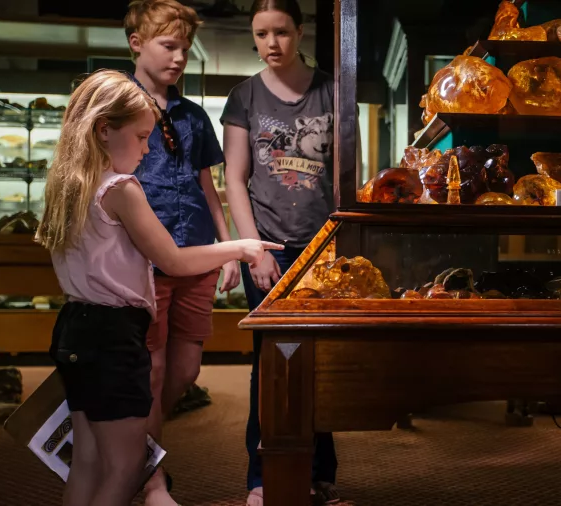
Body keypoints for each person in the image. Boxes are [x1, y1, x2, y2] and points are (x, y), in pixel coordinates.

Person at [35, 69, 282, 506]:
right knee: (128, 464)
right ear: (104, 130)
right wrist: (239, 247)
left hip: (75, 325)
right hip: (114, 334)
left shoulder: (69, 183)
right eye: (141, 137)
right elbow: (173, 261)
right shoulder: (121, 189)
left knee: (88, 459)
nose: (148, 149)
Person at [220, 1, 341, 504]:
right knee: (271, 361)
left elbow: (347, 174)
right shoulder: (244, 96)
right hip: (267, 246)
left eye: (282, 32)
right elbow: (234, 179)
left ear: (300, 32)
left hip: (323, 248)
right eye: (261, 34)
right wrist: (253, 251)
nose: (271, 43)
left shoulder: (333, 90)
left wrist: (339, 245)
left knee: (320, 361)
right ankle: (262, 476)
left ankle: (319, 470)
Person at [123, 2, 238, 503]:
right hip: (142, 256)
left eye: (185, 49)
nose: (178, 58)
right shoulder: (118, 104)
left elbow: (207, 185)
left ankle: (133, 448)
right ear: (136, 43)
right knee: (150, 369)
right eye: (168, 46)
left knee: (185, 370)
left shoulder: (192, 115)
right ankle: (151, 479)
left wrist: (226, 248)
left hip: (196, 251)